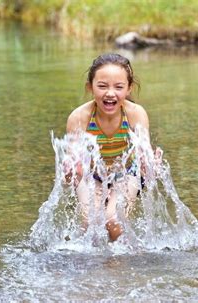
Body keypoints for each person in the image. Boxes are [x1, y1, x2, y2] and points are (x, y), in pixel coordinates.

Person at [66, 53, 153, 242]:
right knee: (89, 222)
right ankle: (92, 268)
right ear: (90, 87)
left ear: (129, 88)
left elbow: (143, 152)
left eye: (119, 87)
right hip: (92, 175)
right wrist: (72, 170)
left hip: (126, 174)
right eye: (102, 86)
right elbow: (73, 163)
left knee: (113, 222)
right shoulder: (79, 117)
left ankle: (117, 267)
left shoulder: (135, 114)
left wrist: (149, 164)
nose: (110, 93)